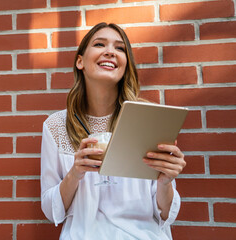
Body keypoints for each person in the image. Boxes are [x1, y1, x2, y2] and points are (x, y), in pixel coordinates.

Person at [40, 22, 186, 240]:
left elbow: (165, 214)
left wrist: (165, 182)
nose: (110, 51)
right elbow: (52, 212)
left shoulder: (147, 118)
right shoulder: (56, 125)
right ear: (80, 61)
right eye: (100, 44)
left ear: (125, 64)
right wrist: (75, 173)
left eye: (120, 48)